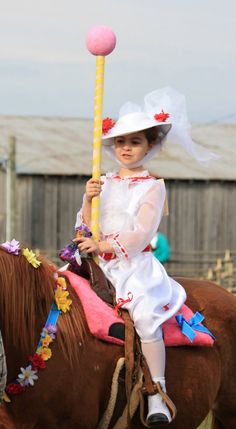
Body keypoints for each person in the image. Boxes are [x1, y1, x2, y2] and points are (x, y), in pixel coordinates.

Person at [74, 87, 217, 425]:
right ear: (112, 147)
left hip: (131, 265)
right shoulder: (102, 182)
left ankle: (156, 392)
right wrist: (88, 201)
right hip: (97, 264)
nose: (127, 148)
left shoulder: (153, 185)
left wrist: (105, 246)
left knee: (144, 316)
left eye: (135, 142)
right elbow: (83, 227)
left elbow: (141, 232)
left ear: (150, 146)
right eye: (121, 142)